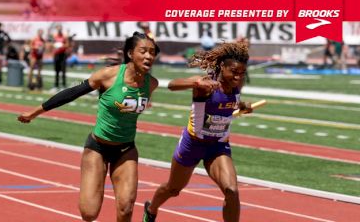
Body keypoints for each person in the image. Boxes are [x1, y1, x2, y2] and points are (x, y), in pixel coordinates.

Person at [17, 31, 160, 222]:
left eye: (152, 52)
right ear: (130, 54)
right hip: (98, 148)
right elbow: (72, 93)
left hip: (126, 149)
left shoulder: (151, 84)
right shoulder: (108, 76)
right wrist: (34, 112)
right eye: (143, 51)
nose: (149, 56)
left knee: (126, 208)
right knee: (89, 212)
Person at [142, 41, 252, 222]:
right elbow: (171, 84)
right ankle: (151, 209)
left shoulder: (237, 86)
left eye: (242, 73)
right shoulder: (206, 84)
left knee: (232, 190)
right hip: (192, 144)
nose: (238, 77)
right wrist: (195, 82)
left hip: (218, 146)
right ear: (222, 66)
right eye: (234, 72)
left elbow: (231, 102)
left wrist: (242, 105)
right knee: (173, 189)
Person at [51, 24, 69, 91]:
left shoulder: (64, 36)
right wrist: (55, 45)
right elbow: (51, 44)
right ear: (56, 29)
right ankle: (56, 85)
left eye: (60, 28)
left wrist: (62, 45)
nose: (59, 29)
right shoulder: (54, 36)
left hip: (63, 55)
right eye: (58, 28)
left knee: (63, 70)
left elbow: (67, 44)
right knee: (56, 71)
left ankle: (64, 85)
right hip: (56, 55)